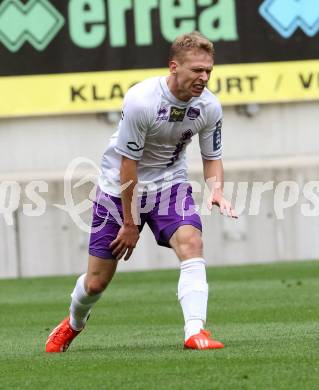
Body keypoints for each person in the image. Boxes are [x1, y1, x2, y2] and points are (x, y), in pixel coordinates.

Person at [45, 31, 237, 353]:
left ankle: (195, 332)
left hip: (169, 186)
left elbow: (212, 157)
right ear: (174, 67)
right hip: (117, 188)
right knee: (95, 283)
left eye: (208, 71)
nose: (203, 78)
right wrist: (130, 224)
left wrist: (215, 190)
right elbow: (127, 166)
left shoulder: (209, 107)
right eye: (197, 70)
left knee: (192, 242)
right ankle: (73, 324)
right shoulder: (142, 100)